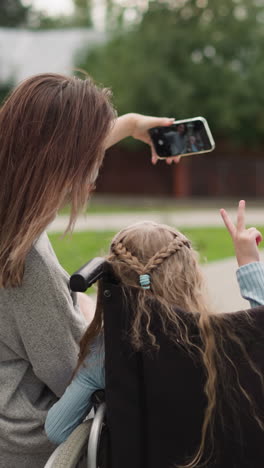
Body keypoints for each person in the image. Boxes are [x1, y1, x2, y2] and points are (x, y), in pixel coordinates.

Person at [0, 72, 180, 468]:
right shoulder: (25, 262)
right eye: (93, 157)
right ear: (69, 162)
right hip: (28, 441)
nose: (97, 167)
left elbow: (47, 142)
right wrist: (88, 312)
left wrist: (130, 125)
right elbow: (75, 374)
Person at [45, 220, 264, 468]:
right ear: (190, 278)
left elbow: (57, 429)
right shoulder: (222, 342)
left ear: (113, 281)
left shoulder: (108, 352)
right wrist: (249, 263)